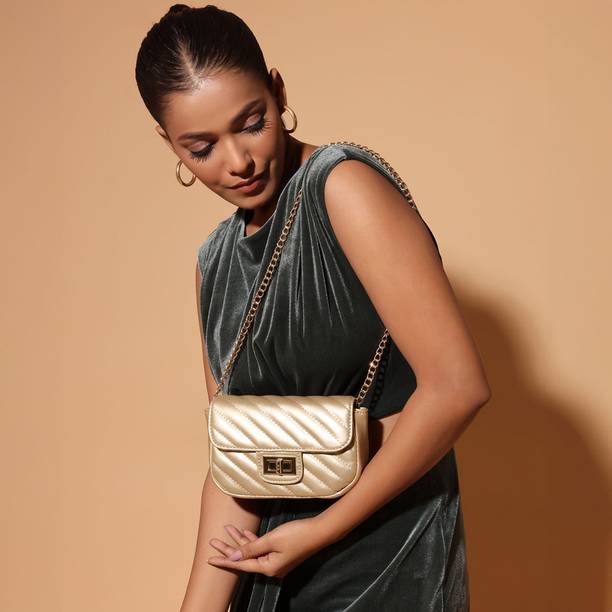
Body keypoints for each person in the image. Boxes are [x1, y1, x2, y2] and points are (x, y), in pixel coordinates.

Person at [135, 4, 491, 611]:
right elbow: (236, 461)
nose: (238, 162)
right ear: (169, 143)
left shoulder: (343, 190)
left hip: (385, 564)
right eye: (202, 147)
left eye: (251, 123)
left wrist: (319, 531)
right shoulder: (214, 263)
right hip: (272, 572)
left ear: (278, 91)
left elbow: (457, 389)